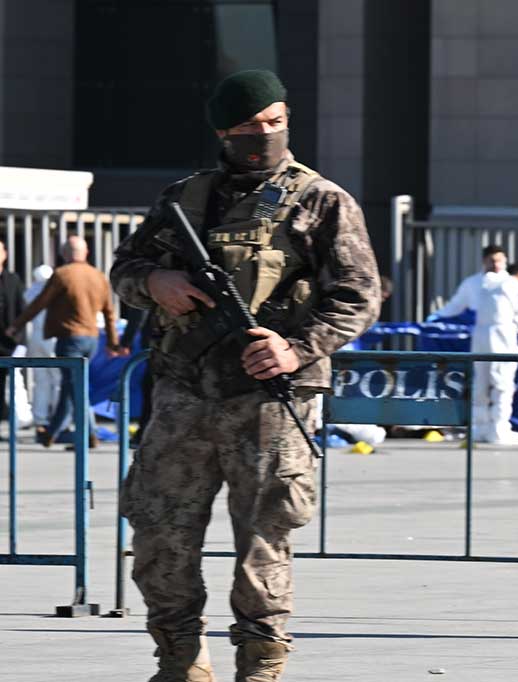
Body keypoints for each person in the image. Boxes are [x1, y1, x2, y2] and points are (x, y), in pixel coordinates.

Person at [107, 70, 381, 681]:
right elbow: (126, 268)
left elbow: (359, 295)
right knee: (158, 535)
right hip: (182, 393)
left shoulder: (322, 201)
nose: (265, 135)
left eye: (276, 122)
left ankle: (260, 667)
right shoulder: (185, 199)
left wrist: (296, 347)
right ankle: (180, 660)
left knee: (263, 547)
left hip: (269, 401)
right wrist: (158, 284)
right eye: (251, 126)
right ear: (223, 130)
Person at [8, 236, 120, 448]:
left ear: (64, 254)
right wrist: (113, 342)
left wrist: (17, 325)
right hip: (92, 339)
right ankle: (65, 433)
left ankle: (73, 433)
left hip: (70, 338)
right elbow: (109, 312)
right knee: (75, 386)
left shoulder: (62, 274)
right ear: (86, 253)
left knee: (72, 387)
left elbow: (39, 304)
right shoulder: (98, 276)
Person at [430, 245, 518, 445]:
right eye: (492, 260)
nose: (496, 264)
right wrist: (435, 318)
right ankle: (479, 427)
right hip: (481, 338)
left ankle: (499, 428)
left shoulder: (514, 285)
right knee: (479, 385)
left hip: (505, 337)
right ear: (484, 261)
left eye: (500, 260)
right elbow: (455, 306)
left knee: (503, 383)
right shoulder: (473, 283)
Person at [22, 265, 57, 430]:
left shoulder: (31, 291)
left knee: (40, 380)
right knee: (58, 380)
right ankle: (57, 417)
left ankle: (40, 418)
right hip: (52, 338)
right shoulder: (55, 290)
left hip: (36, 338)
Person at [0, 240, 25, 421]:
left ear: (5, 254)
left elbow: (21, 309)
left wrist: (17, 334)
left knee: (3, 384)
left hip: (6, 341)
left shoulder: (13, 279)